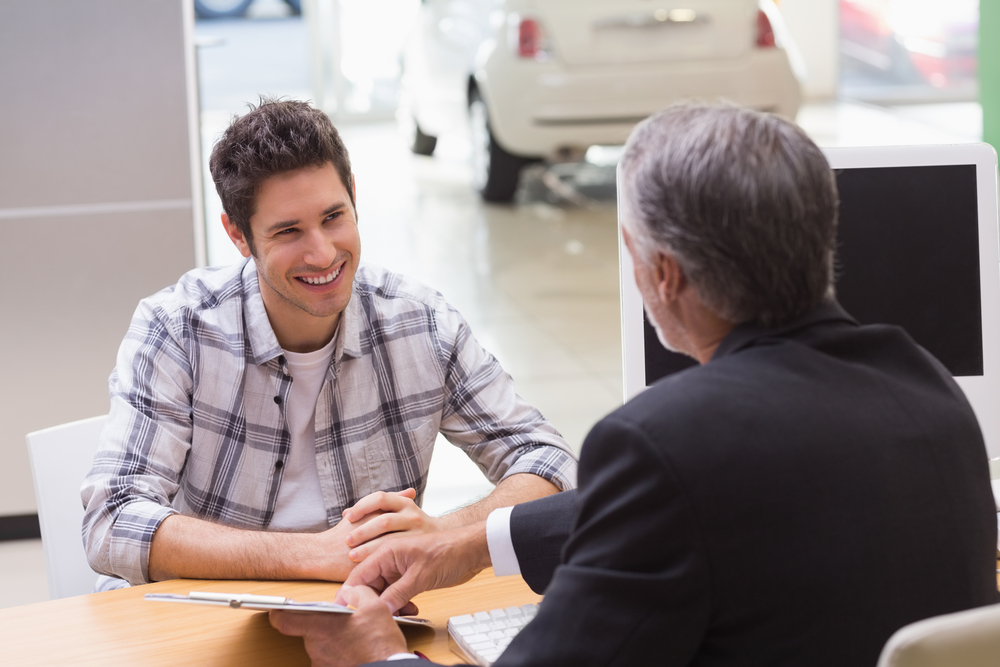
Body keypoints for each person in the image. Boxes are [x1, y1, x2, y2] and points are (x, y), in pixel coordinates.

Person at [267, 102, 1000, 666]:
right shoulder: (926, 387)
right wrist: (478, 539)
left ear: (665, 275)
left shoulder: (663, 442)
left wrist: (377, 653)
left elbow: (688, 490)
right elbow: (731, 499)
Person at [80, 99, 577, 590]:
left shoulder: (420, 321)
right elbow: (112, 520)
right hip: (213, 613)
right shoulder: (177, 328)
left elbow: (551, 462)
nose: (322, 253)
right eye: (288, 230)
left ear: (354, 196)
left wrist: (440, 537)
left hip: (369, 614)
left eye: (333, 216)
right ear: (237, 233)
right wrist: (313, 554)